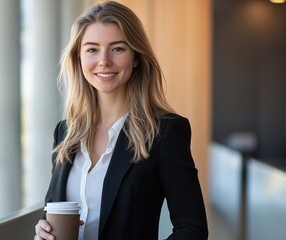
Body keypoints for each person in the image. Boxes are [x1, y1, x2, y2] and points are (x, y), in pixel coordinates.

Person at [35, 1, 208, 239]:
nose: (104, 60)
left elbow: (192, 230)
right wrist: (43, 229)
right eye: (92, 49)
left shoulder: (164, 132)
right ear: (79, 58)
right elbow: (53, 210)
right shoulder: (65, 133)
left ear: (136, 57)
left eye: (117, 48)